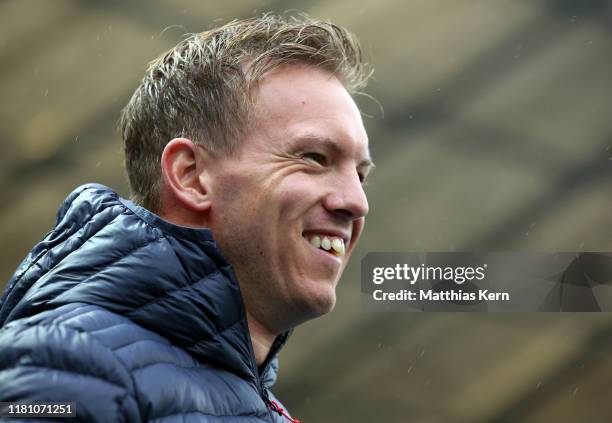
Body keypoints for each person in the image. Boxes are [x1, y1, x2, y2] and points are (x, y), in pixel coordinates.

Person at [0, 14, 373, 422]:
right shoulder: (68, 370)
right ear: (191, 176)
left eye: (360, 175)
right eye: (315, 158)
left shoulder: (250, 404)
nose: (356, 202)